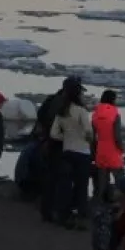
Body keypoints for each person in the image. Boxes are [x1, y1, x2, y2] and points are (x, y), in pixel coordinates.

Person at [35, 77, 81, 224]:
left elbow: (40, 116)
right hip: (64, 146)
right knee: (64, 181)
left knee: (51, 179)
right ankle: (60, 214)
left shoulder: (52, 100)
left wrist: (45, 135)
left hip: (51, 144)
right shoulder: (71, 105)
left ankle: (47, 212)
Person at [54, 86, 95, 225]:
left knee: (65, 184)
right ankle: (80, 216)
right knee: (81, 186)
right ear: (78, 95)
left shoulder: (61, 111)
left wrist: (65, 137)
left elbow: (53, 134)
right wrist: (88, 140)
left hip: (67, 151)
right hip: (82, 153)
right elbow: (89, 131)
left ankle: (64, 214)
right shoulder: (82, 111)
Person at [91, 90, 125, 195]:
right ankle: (120, 202)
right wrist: (122, 148)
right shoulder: (115, 114)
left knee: (102, 181)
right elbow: (117, 136)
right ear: (113, 99)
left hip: (100, 149)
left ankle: (100, 202)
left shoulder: (96, 113)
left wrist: (94, 150)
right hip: (113, 150)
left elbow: (92, 135)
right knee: (120, 179)